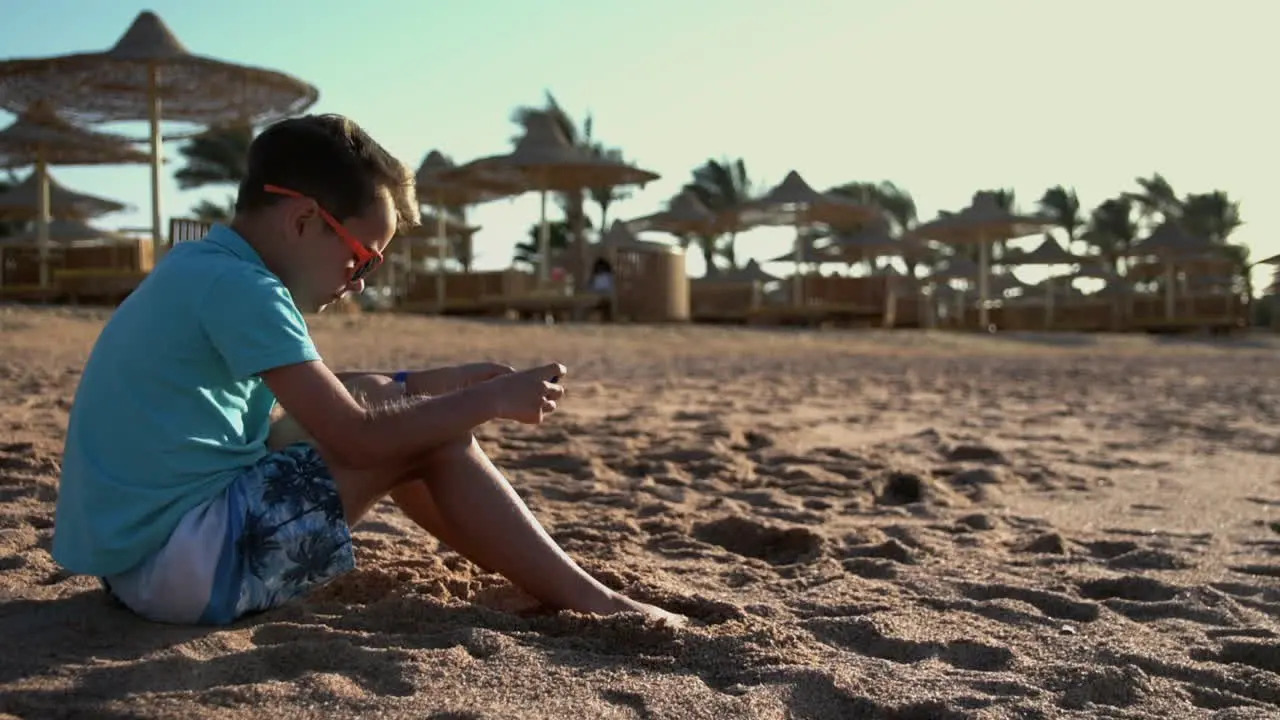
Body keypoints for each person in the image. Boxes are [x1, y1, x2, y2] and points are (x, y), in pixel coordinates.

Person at [52, 114, 683, 628]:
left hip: (136, 562)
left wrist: (437, 381)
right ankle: (593, 600)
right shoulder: (248, 290)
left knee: (382, 397)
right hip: (187, 572)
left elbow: (336, 399)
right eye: (360, 259)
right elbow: (356, 439)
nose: (358, 283)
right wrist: (490, 400)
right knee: (426, 437)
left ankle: (528, 567)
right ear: (303, 220)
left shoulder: (201, 265)